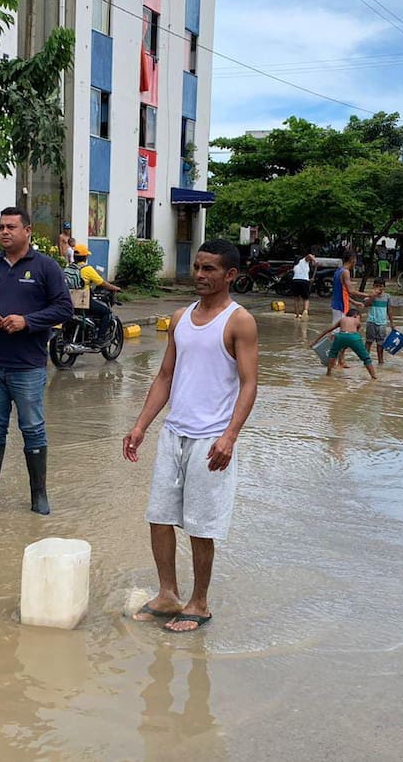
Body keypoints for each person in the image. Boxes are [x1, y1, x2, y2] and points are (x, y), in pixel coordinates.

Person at [123, 239, 259, 633]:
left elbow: (249, 384)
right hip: (174, 433)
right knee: (159, 517)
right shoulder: (181, 318)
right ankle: (167, 594)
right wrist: (140, 426)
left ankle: (199, 603)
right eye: (197, 267)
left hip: (211, 440)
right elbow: (165, 376)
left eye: (209, 269)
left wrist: (230, 436)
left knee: (201, 526)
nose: (199, 275)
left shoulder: (239, 322)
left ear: (230, 275)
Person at [0, 207, 73, 514]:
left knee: (33, 427)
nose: (4, 232)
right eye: (1, 227)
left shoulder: (46, 267)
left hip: (28, 365)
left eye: (11, 227)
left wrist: (28, 321)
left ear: (28, 231)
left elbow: (64, 308)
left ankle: (39, 495)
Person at [71, 243, 122, 343]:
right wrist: (115, 288)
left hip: (69, 301)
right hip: (83, 302)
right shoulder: (87, 269)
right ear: (85, 257)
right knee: (106, 312)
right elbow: (102, 283)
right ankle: (100, 338)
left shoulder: (69, 268)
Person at [311, 309, 377, 379]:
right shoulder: (357, 321)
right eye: (359, 317)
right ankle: (373, 376)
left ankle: (328, 373)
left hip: (340, 336)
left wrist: (315, 341)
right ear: (355, 315)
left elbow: (327, 330)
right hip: (353, 337)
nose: (359, 319)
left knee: (332, 354)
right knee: (366, 358)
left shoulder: (342, 319)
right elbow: (355, 334)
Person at [362, 278, 394, 365]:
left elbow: (389, 310)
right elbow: (366, 304)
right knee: (368, 342)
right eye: (376, 286)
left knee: (380, 343)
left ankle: (380, 361)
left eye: (381, 286)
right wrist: (373, 296)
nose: (379, 288)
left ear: (384, 287)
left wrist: (392, 323)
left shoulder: (387, 297)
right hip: (371, 322)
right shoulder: (369, 295)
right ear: (373, 286)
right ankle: (366, 360)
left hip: (382, 323)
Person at [290, 251, 316, 320]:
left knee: (296, 299)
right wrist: (315, 260)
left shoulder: (295, 266)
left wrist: (309, 279)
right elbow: (309, 255)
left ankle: (297, 315)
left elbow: (300, 274)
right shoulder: (303, 261)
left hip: (295, 281)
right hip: (304, 282)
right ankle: (305, 311)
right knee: (306, 299)